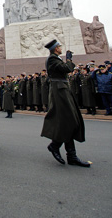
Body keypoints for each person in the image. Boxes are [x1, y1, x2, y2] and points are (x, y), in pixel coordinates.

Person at [41, 39, 90, 167]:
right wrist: (68, 59)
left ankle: (71, 155)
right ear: (56, 48)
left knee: (70, 121)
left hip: (62, 90)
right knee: (69, 120)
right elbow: (67, 69)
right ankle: (56, 146)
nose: (61, 47)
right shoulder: (52, 59)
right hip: (59, 91)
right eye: (59, 46)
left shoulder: (55, 58)